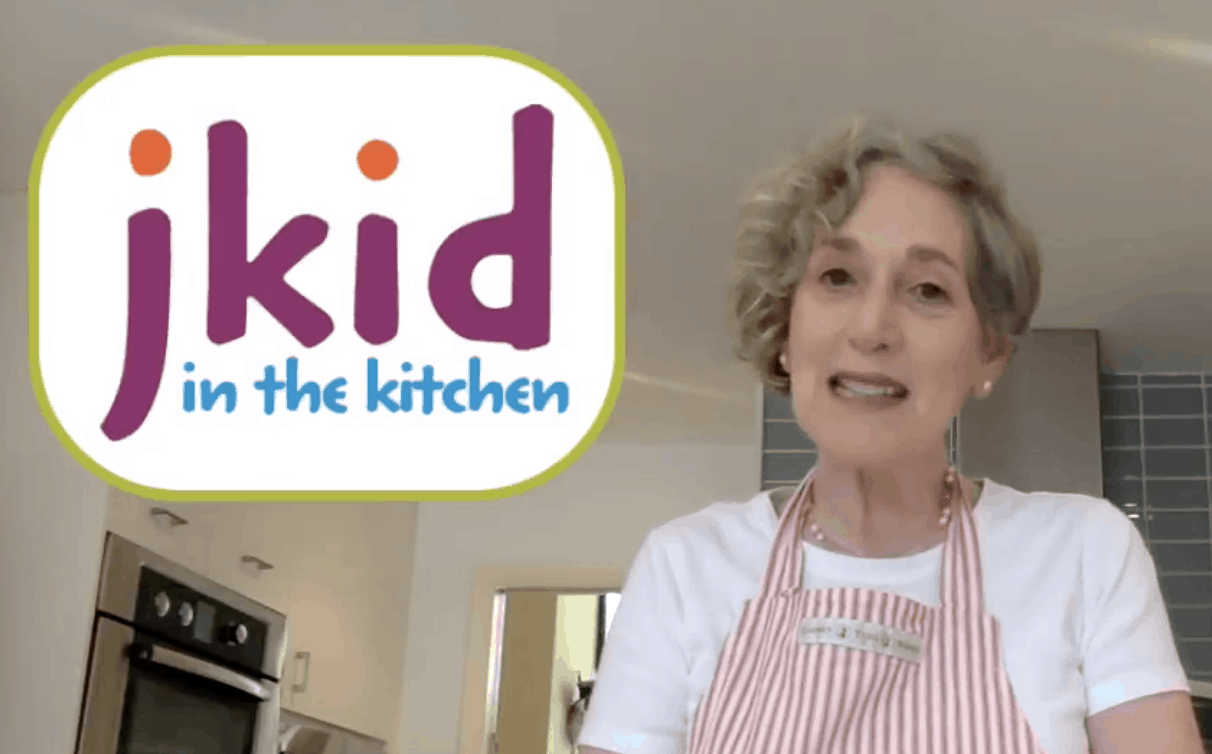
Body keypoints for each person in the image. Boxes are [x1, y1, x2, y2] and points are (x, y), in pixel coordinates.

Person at [577, 115, 1203, 753]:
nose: (873, 326)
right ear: (785, 329)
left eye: (928, 290)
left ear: (987, 353)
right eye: (837, 277)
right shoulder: (684, 567)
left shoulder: (1084, 554)